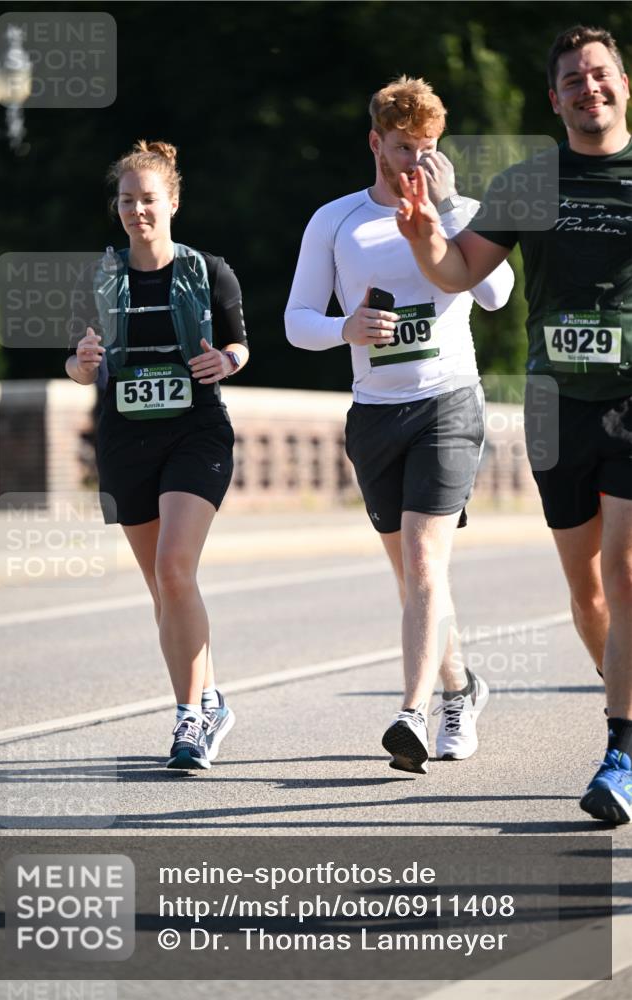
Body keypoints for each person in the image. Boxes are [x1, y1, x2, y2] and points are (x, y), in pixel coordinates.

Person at [396, 26, 632, 822]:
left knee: (623, 569)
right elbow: (457, 271)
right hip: (552, 406)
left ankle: (619, 751)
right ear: (554, 99)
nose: (586, 89)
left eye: (598, 75)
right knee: (587, 591)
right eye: (571, 80)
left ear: (623, 85)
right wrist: (423, 230)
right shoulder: (528, 183)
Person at [285, 77, 514, 774]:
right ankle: (459, 689)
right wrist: (343, 326)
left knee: (422, 563)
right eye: (402, 148)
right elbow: (296, 323)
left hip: (447, 401)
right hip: (375, 414)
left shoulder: (462, 208)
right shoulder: (336, 220)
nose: (416, 161)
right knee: (417, 578)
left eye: (428, 149)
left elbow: (498, 294)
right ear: (374, 143)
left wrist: (446, 210)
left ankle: (410, 713)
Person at [66, 140, 249, 771]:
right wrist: (82, 364)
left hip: (196, 433)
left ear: (171, 201)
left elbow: (240, 345)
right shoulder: (101, 276)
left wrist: (226, 361)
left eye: (148, 199)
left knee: (175, 568)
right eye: (126, 200)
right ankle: (212, 697)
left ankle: (189, 721)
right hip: (124, 439)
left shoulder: (209, 270)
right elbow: (76, 361)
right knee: (163, 588)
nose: (137, 210)